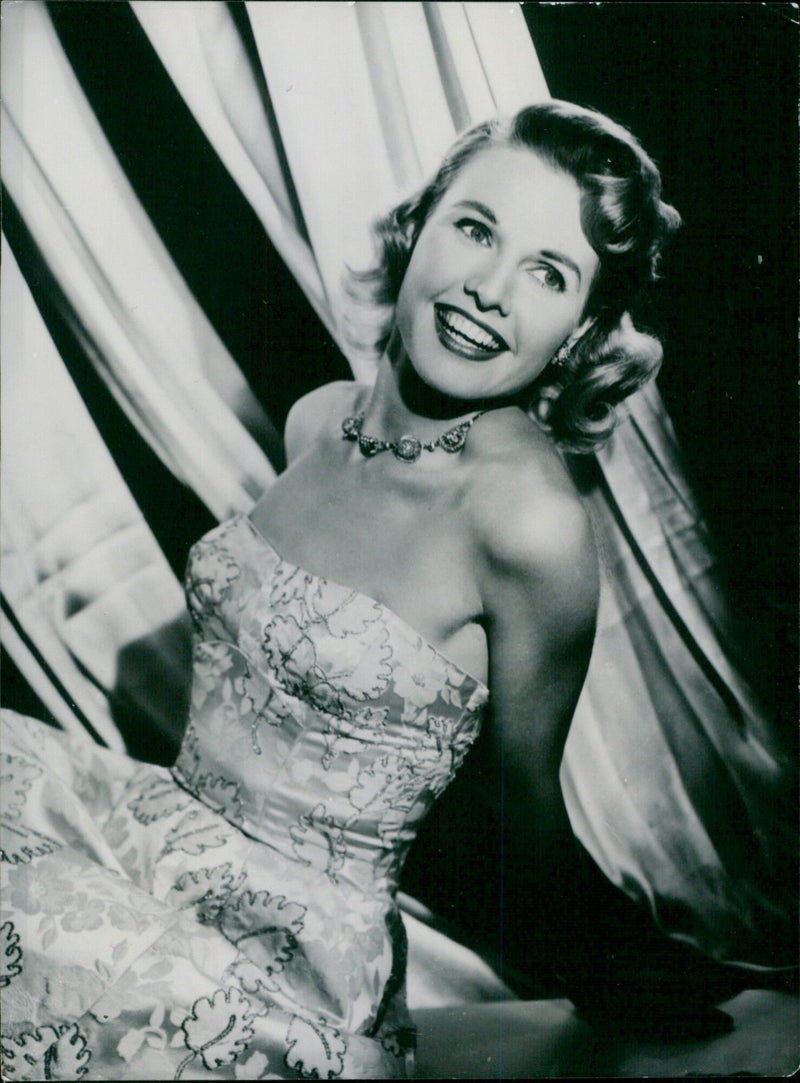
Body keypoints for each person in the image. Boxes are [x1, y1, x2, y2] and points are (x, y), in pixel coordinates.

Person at [1, 101, 681, 1080]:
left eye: (547, 272)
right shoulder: (316, 421)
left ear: (577, 329)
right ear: (420, 227)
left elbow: (517, 821)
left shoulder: (526, 523)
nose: (488, 289)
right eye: (475, 228)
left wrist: (620, 969)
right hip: (149, 854)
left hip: (286, 964)